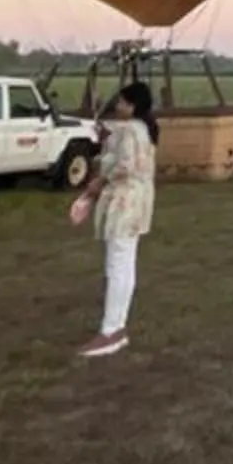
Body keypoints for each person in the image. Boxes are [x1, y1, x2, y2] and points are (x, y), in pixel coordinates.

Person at [76, 81, 158, 358]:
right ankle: (116, 327)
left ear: (132, 106)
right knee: (124, 263)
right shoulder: (142, 129)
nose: (118, 107)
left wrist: (98, 182)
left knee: (118, 265)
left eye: (122, 102)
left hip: (125, 202)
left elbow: (124, 166)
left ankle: (111, 331)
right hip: (135, 202)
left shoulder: (131, 131)